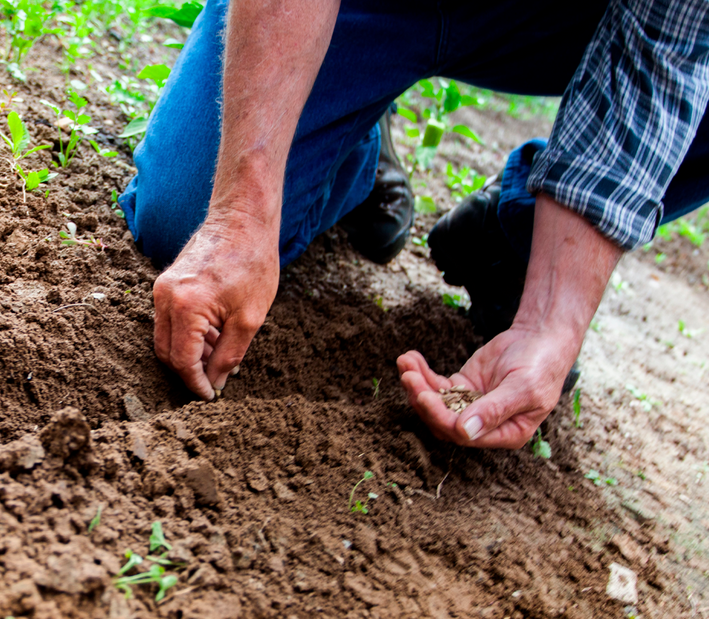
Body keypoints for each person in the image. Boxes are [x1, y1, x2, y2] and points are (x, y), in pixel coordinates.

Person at [117, 0, 709, 449]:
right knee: (187, 216)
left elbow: (662, 50)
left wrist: (550, 322)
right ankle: (351, 143)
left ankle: (518, 238)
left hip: (558, 20)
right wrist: (242, 212)